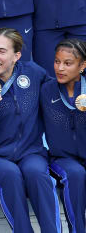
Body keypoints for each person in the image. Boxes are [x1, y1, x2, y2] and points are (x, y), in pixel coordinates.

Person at [0, 28, 60, 233]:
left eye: (1, 51)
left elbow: (56, 97)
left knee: (37, 174)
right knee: (10, 175)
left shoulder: (34, 73)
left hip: (30, 152)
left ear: (16, 56)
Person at [41, 39, 86, 233]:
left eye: (68, 63)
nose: (60, 68)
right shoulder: (46, 90)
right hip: (60, 158)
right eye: (57, 61)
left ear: (82, 66)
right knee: (75, 174)